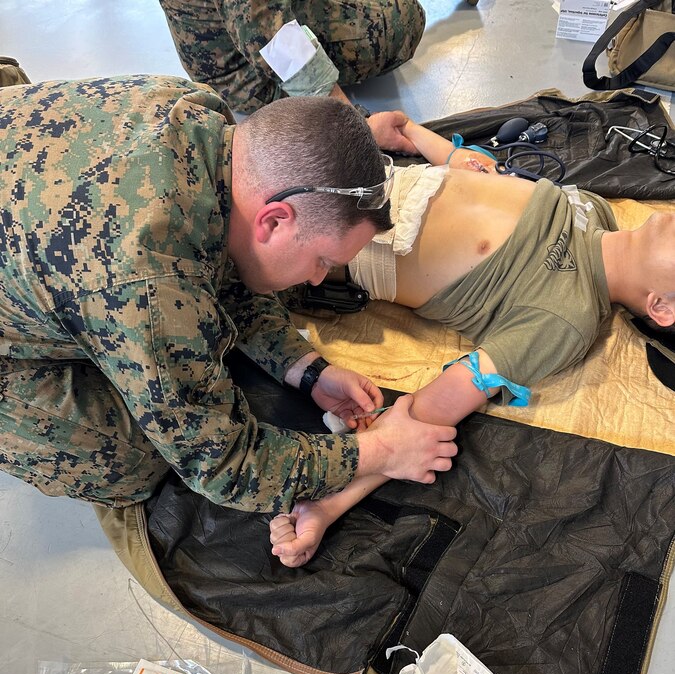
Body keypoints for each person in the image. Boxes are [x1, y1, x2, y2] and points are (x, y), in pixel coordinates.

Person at [0, 77, 458, 512]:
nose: (320, 280)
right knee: (128, 461)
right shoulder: (148, 281)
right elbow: (222, 466)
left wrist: (307, 370)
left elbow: (225, 257)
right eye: (322, 260)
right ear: (274, 220)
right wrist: (378, 452)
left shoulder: (202, 115)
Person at [270, 118, 675, 565]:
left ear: (662, 308)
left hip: (311, 241)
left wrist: (329, 504)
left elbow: (447, 398)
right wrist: (412, 133)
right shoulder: (597, 211)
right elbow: (482, 173)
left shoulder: (566, 318)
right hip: (351, 173)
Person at [158, 1, 425, 115]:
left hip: (239, 29)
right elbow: (270, 36)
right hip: (245, 74)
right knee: (398, 20)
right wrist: (353, 121)